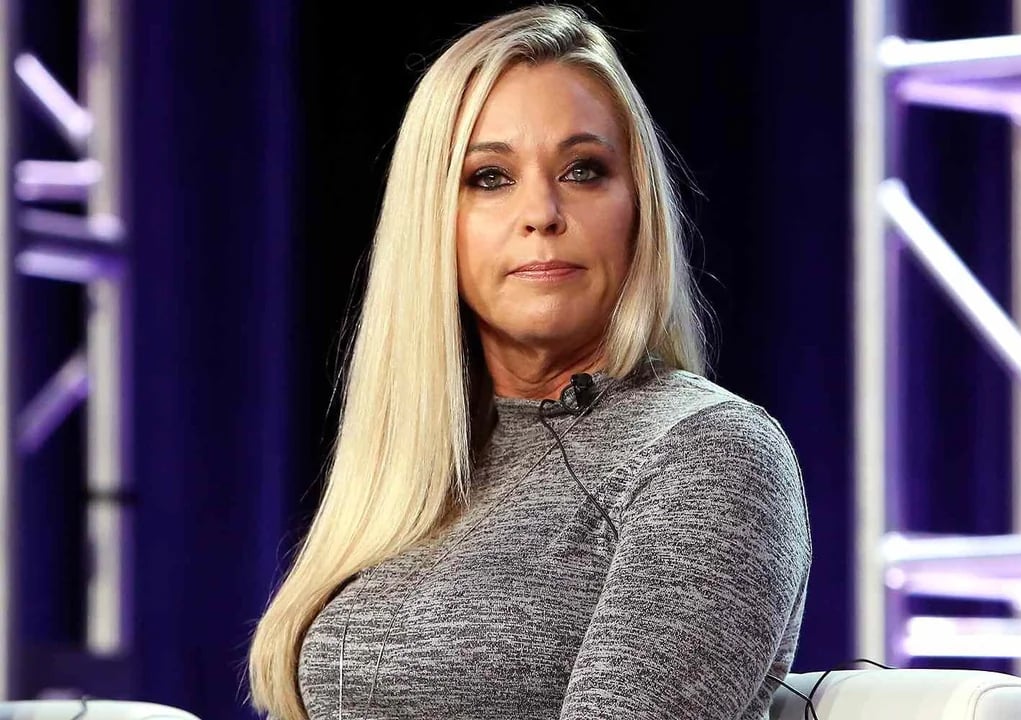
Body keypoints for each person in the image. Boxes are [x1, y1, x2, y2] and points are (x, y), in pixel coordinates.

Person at [247, 4, 811, 719]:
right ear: (433, 221)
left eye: (583, 170)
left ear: (638, 208)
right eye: (490, 177)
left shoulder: (709, 452)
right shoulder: (414, 467)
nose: (542, 212)